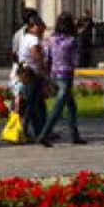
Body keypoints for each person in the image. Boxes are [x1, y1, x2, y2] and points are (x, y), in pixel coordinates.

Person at [37, 12, 85, 146]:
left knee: (71, 105)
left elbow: (47, 58)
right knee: (59, 105)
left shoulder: (51, 39)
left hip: (54, 74)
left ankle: (74, 134)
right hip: (66, 74)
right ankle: (45, 133)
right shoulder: (72, 41)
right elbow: (76, 60)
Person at [16, 18, 49, 141]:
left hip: (26, 72)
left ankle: (39, 130)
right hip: (32, 73)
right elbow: (36, 55)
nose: (42, 29)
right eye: (39, 26)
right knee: (31, 105)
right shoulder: (33, 39)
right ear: (31, 27)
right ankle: (24, 131)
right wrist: (43, 70)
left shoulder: (26, 38)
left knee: (35, 104)